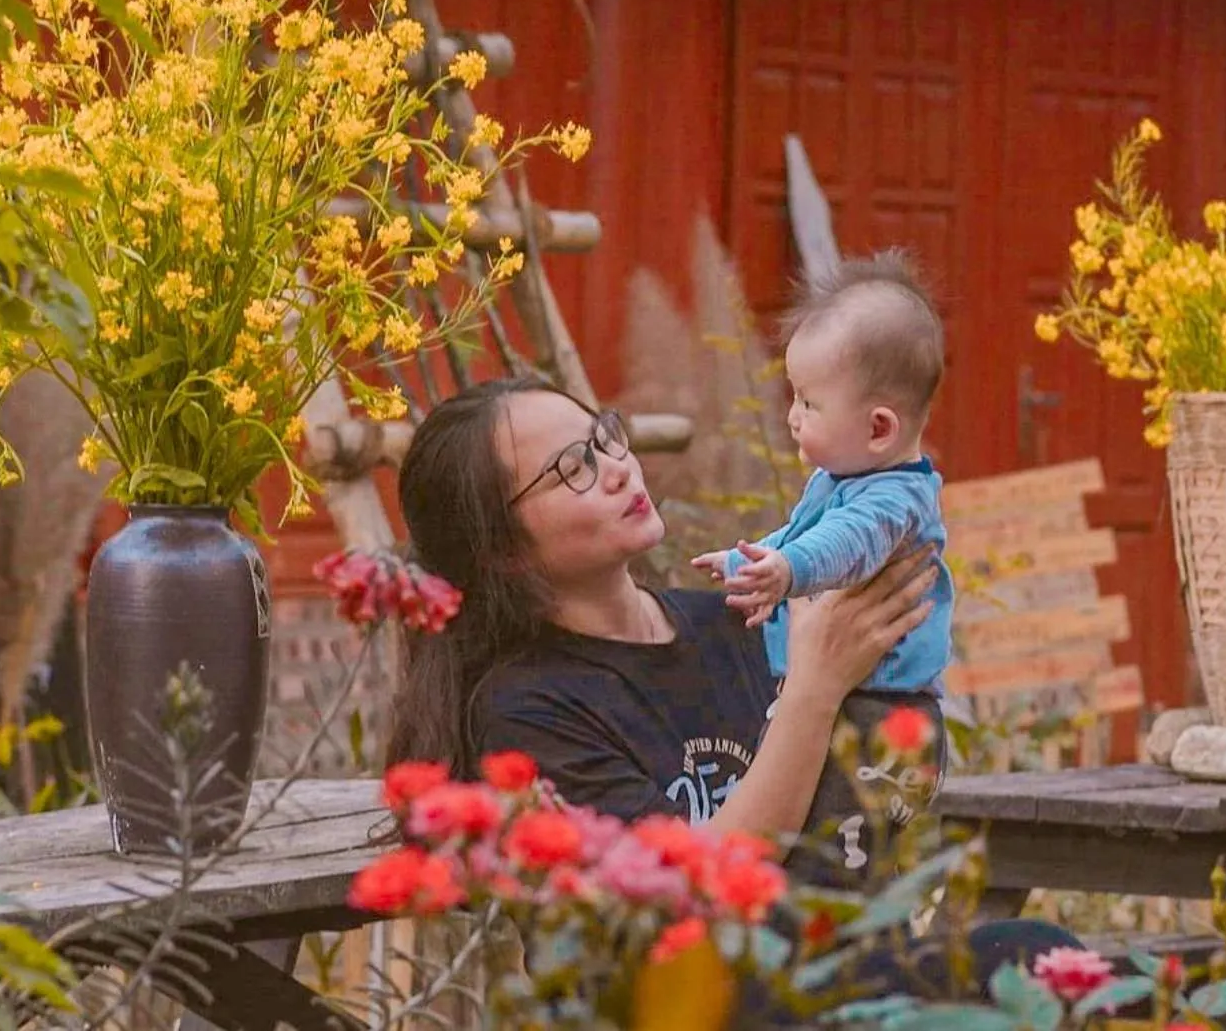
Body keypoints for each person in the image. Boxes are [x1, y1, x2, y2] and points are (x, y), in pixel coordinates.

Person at [383, 376, 1076, 1013]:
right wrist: (814, 687)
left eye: (604, 436)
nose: (617, 466)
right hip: (684, 1007)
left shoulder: (731, 622)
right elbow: (689, 894)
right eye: (573, 468)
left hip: (819, 974)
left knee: (1039, 958)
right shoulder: (526, 712)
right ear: (501, 550)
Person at [692, 251, 955, 875]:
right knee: (809, 835)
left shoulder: (894, 500)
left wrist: (787, 571)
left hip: (883, 715)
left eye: (808, 403)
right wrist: (748, 560)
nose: (792, 416)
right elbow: (798, 534)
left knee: (844, 858)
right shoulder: (841, 480)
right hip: (842, 698)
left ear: (879, 428)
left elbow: (842, 545)